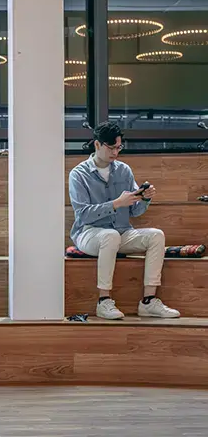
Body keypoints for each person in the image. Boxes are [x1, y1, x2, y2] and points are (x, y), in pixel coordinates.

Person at [68, 121, 180, 320]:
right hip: (89, 233)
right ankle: (104, 301)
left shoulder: (124, 170)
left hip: (122, 232)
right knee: (109, 236)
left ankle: (149, 301)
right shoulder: (79, 174)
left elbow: (135, 211)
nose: (115, 153)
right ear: (97, 145)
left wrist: (145, 198)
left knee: (156, 235)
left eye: (118, 147)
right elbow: (83, 214)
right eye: (111, 148)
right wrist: (115, 204)